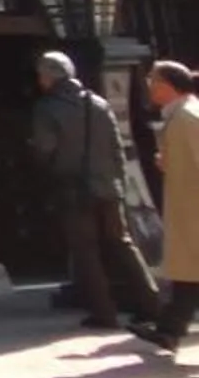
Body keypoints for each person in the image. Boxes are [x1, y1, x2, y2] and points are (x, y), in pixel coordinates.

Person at [27, 50, 159, 330]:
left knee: (85, 251)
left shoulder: (47, 108)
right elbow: (116, 147)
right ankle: (152, 304)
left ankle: (104, 312)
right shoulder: (99, 103)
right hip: (109, 187)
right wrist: (119, 183)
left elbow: (45, 149)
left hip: (74, 189)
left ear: (48, 77)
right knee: (123, 244)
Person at [133, 59, 198, 361]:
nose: (149, 86)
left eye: (152, 80)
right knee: (189, 275)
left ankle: (169, 329)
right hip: (188, 210)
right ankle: (169, 329)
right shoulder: (181, 116)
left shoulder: (186, 117)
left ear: (166, 85)